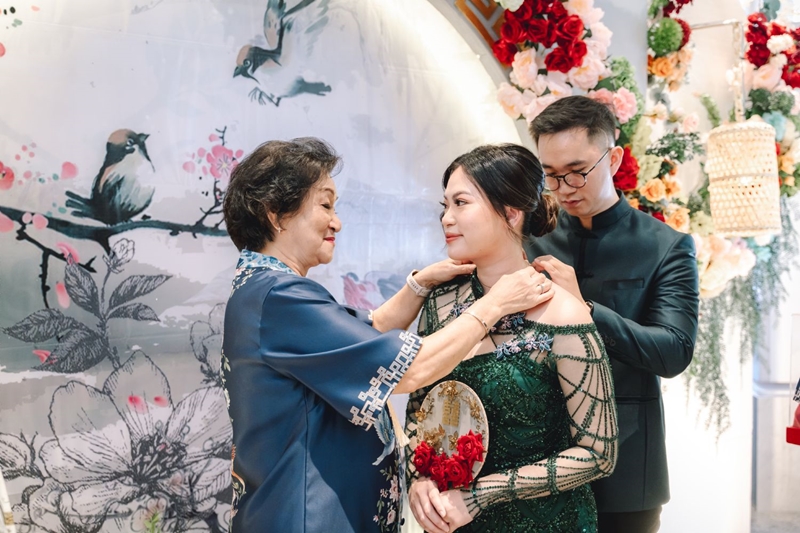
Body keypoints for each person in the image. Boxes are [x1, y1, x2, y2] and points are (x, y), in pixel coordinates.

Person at [219, 137, 556, 533]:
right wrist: (494, 304)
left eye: (460, 203)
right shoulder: (280, 296)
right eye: (325, 205)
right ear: (276, 214)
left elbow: (366, 335)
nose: (336, 222)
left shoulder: (263, 289)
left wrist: (419, 285)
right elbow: (410, 370)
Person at [405, 143, 618, 533]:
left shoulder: (562, 312)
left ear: (511, 212)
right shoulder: (440, 303)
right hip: (456, 522)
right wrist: (419, 475)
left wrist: (482, 494)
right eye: (444, 206)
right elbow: (421, 410)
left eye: (461, 203)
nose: (446, 218)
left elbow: (599, 453)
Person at [527, 96, 700, 533]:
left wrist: (585, 310)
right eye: (551, 175)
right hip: (535, 462)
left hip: (627, 469)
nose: (565, 187)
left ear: (615, 158)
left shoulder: (666, 246)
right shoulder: (532, 243)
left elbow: (674, 351)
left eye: (577, 171)